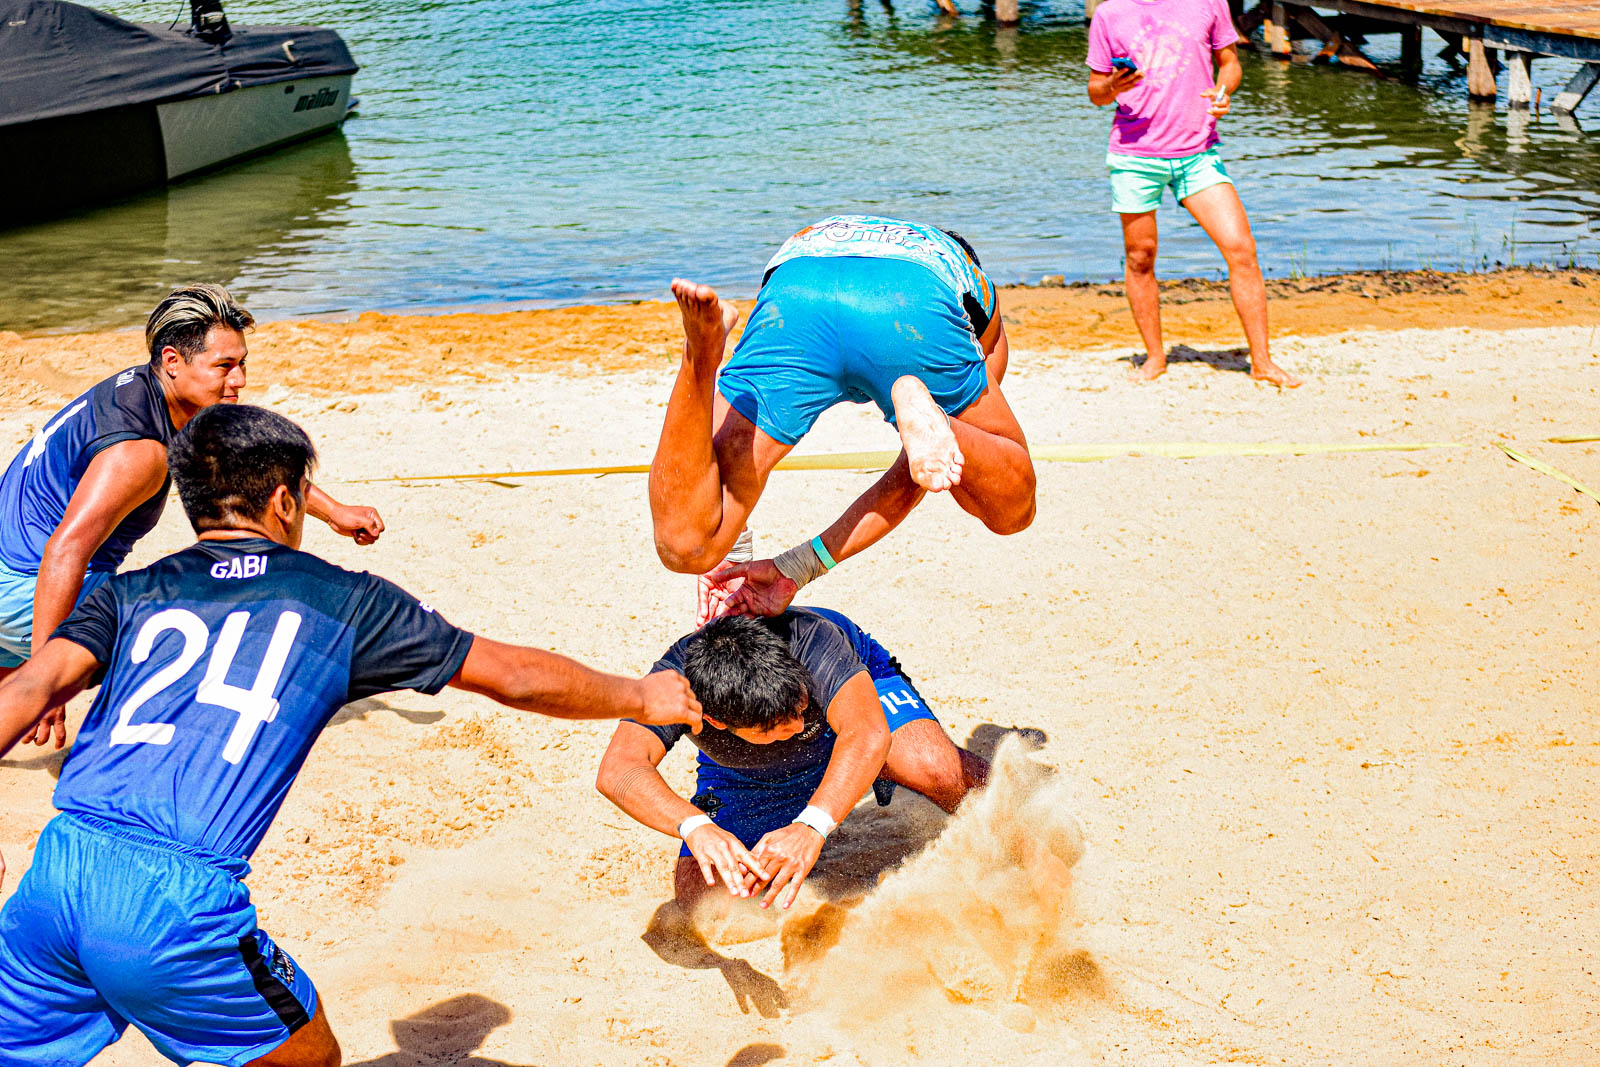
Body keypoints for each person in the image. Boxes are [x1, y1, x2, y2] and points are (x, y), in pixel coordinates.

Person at [0, 405, 702, 1067]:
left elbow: (28, 687)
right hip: (174, 901)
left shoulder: (130, 590)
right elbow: (513, 674)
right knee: (311, 1054)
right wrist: (640, 693)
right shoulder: (345, 601)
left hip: (59, 868)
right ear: (284, 500)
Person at [0, 283, 386, 750]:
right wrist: (48, 679)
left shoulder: (148, 390)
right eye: (224, 366)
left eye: (242, 363)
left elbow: (245, 460)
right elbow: (66, 548)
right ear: (173, 361)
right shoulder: (139, 452)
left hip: (11, 575)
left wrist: (333, 513)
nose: (239, 380)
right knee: (204, 623)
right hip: (27, 590)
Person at [648, 215, 1037, 599]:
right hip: (912, 302)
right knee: (1007, 507)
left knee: (686, 545)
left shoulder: (861, 237)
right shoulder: (975, 290)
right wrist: (804, 564)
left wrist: (740, 547)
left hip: (797, 283)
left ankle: (698, 359)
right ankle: (911, 392)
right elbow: (924, 475)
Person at [596, 609, 987, 913]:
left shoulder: (813, 640)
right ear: (713, 720)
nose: (799, 725)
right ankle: (831, 773)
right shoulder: (674, 687)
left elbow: (867, 732)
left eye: (800, 708)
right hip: (753, 771)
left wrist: (811, 826)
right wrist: (696, 826)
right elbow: (620, 768)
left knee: (933, 767)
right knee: (709, 902)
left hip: (853, 713)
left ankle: (883, 770)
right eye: (776, 726)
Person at [1086, 0, 1301, 387]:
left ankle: (1263, 362)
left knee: (1241, 249)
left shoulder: (1208, 1)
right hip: (1135, 156)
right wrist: (1111, 86)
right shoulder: (1110, 13)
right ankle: (1155, 357)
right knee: (1140, 257)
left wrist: (1224, 90)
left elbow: (1230, 62)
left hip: (1199, 154)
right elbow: (1096, 92)